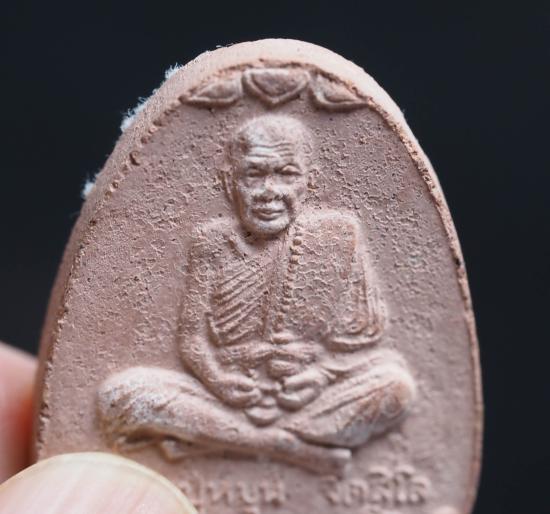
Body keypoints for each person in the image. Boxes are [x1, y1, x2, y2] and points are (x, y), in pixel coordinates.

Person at [97, 114, 416, 475]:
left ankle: (216, 441)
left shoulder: (338, 236)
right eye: (253, 175)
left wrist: (320, 373)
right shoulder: (211, 243)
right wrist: (218, 380)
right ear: (229, 182)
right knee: (119, 397)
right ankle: (286, 447)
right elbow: (191, 339)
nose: (269, 191)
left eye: (287, 175)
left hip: (308, 396)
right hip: (228, 394)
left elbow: (365, 333)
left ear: (310, 182)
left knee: (396, 387)